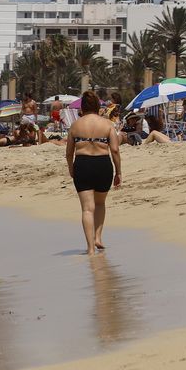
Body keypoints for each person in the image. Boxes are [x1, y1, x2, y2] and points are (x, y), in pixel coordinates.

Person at [66, 91, 122, 256]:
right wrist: (118, 172)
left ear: (82, 107)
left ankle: (90, 248)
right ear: (98, 106)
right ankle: (98, 237)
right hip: (102, 164)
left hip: (82, 165)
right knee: (99, 204)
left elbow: (69, 152)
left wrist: (71, 167)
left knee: (87, 209)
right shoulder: (106, 124)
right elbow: (115, 150)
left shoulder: (75, 125)